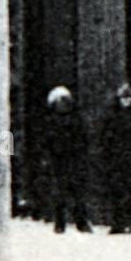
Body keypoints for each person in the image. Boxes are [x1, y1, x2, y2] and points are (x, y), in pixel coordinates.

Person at [44, 85, 92, 234]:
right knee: (62, 193)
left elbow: (83, 139)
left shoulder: (74, 119)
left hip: (71, 159)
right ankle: (64, 222)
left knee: (75, 193)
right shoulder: (52, 121)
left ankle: (77, 222)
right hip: (60, 160)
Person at [101, 84, 131, 234]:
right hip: (116, 160)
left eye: (128, 98)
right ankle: (118, 222)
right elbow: (106, 138)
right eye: (123, 98)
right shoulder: (112, 118)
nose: (125, 101)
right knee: (117, 192)